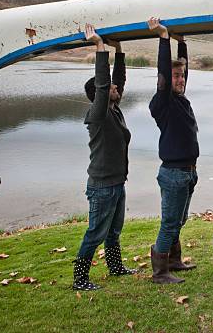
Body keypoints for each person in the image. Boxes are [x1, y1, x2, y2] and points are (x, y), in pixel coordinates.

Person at [72, 24, 136, 291]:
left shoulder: (114, 109)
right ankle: (80, 279)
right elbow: (102, 84)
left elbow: (117, 80)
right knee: (95, 233)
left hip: (116, 183)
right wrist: (100, 47)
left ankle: (115, 266)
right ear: (100, 95)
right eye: (111, 88)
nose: (116, 88)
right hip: (102, 186)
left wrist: (118, 48)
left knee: (113, 231)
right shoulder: (98, 115)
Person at [147, 17, 199, 284]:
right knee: (170, 223)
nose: (180, 79)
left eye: (182, 76)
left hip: (188, 172)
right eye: (176, 76)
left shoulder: (181, 98)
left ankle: (174, 261)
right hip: (174, 173)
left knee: (180, 220)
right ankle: (160, 272)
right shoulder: (163, 101)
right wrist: (164, 38)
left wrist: (182, 43)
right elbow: (165, 74)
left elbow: (182, 72)